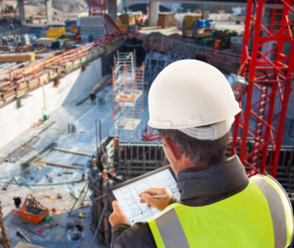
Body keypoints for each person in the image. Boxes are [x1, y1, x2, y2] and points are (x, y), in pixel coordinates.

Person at [109, 60, 294, 248]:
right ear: (226, 131)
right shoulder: (274, 195)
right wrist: (174, 205)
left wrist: (120, 233)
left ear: (172, 149)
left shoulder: (144, 240)